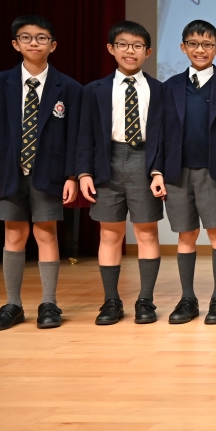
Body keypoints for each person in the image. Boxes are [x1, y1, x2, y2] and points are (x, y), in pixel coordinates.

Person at [0, 15, 82, 330]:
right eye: (26, 37)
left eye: (41, 38)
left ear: (53, 45)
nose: (34, 43)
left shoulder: (69, 87)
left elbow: (75, 136)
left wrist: (71, 176)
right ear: (16, 44)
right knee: (13, 233)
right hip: (8, 171)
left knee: (45, 232)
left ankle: (49, 303)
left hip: (50, 172)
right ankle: (12, 304)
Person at [76, 21, 166, 326]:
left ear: (148, 52)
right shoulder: (94, 90)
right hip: (107, 162)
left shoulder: (160, 90)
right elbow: (84, 134)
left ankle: (146, 300)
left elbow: (165, 135)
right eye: (123, 45)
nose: (130, 51)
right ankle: (111, 301)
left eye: (137, 46)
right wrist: (84, 173)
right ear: (111, 49)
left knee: (146, 232)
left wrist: (158, 170)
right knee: (109, 233)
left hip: (145, 161)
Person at [156, 20, 216, 324]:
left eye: (207, 45)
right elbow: (160, 132)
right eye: (193, 44)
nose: (200, 50)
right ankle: (187, 299)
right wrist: (156, 171)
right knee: (186, 234)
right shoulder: (170, 86)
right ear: (183, 48)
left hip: (214, 171)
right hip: (177, 172)